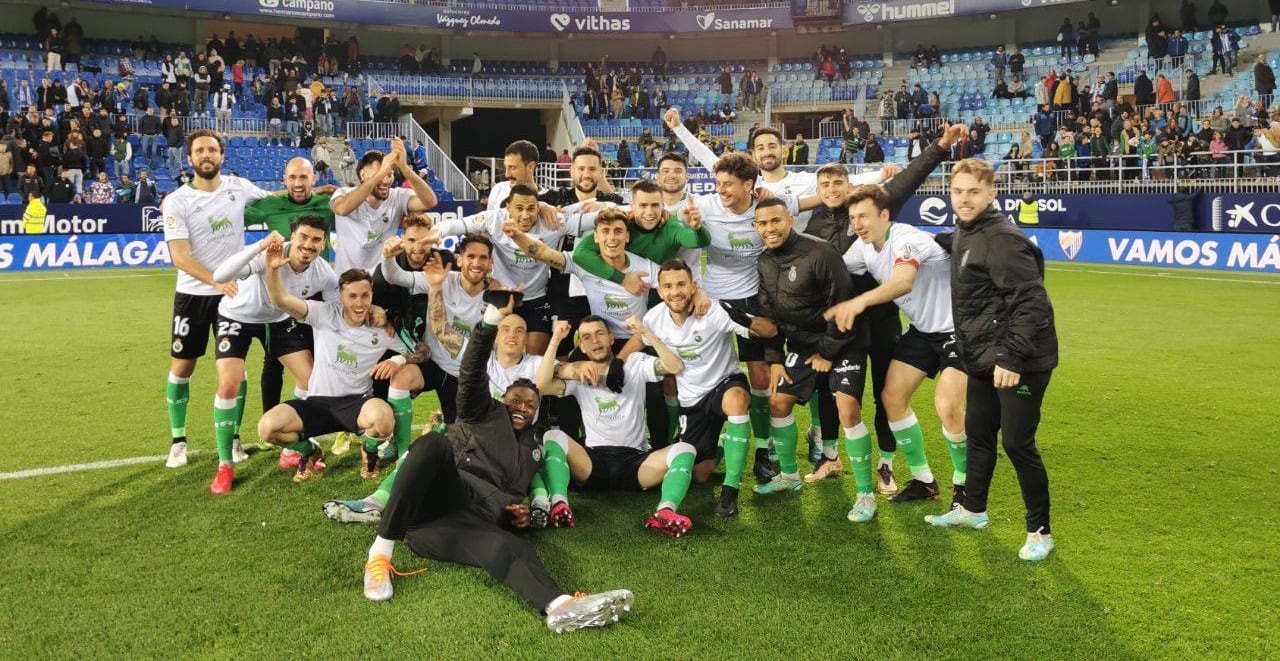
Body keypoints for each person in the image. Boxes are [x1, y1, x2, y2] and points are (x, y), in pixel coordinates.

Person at [359, 298, 634, 634]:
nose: (522, 407)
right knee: (433, 443)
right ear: (503, 400)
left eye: (530, 404)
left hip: (452, 529)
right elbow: (472, 369)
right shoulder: (482, 411)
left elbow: (510, 497)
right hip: (439, 500)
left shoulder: (533, 450)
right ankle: (380, 554)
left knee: (510, 546)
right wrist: (488, 323)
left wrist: (514, 515)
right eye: (516, 400)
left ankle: (560, 605)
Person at [925, 159, 1059, 563]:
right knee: (979, 435)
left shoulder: (1002, 237)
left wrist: (1012, 356)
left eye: (973, 192)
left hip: (1019, 361)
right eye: (958, 192)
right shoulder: (968, 232)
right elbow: (961, 251)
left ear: (992, 194)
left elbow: (1032, 302)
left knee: (1018, 444)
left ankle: (1040, 531)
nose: (964, 200)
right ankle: (972, 509)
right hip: (982, 357)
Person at [827, 181, 969, 510]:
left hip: (956, 330)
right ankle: (924, 481)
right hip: (922, 331)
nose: (857, 224)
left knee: (947, 407)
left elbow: (902, 281)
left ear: (885, 215)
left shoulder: (906, 239)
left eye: (864, 216)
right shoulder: (862, 248)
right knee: (892, 398)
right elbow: (833, 270)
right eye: (853, 218)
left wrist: (858, 303)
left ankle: (964, 487)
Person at [161, 130, 272, 482]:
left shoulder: (239, 188)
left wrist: (314, 194)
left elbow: (276, 201)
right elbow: (180, 256)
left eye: (212, 149)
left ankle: (234, 438)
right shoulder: (177, 201)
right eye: (199, 150)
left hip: (232, 295)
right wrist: (215, 280)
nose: (206, 154)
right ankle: (178, 441)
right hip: (194, 295)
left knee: (234, 372)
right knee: (183, 367)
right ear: (190, 159)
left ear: (222, 155)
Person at [750, 197, 870, 516]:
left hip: (843, 342)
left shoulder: (820, 252)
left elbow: (844, 306)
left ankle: (865, 493)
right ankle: (789, 476)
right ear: (755, 227)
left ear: (790, 220)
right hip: (802, 347)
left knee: (847, 407)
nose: (769, 228)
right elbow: (768, 315)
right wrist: (775, 358)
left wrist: (827, 353)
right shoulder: (764, 261)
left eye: (775, 221)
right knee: (777, 402)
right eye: (762, 223)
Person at [534, 311, 697, 537]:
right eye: (587, 337)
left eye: (600, 333)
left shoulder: (636, 364)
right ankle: (560, 503)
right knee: (553, 436)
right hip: (593, 461)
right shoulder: (580, 374)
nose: (595, 340)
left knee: (686, 449)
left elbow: (674, 367)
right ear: (581, 346)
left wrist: (645, 332)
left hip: (636, 463)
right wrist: (555, 340)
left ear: (611, 338)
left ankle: (664, 511)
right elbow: (541, 386)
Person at [209, 219, 338, 489]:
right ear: (293, 236)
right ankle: (225, 465)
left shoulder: (323, 271)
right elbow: (221, 276)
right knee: (229, 383)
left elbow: (337, 308)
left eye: (316, 240)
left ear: (323, 243)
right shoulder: (272, 253)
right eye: (303, 237)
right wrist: (260, 244)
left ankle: (290, 451)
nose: (308, 245)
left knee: (309, 380)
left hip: (278, 320)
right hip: (236, 316)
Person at [255, 252, 402, 485]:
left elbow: (420, 352)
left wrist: (398, 360)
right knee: (267, 429)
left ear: (372, 295)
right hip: (317, 403)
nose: (359, 302)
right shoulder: (324, 313)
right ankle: (308, 451)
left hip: (357, 401)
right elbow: (281, 300)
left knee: (383, 420)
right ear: (340, 296)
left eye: (365, 295)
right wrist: (272, 270)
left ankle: (369, 449)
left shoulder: (383, 328)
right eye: (352, 296)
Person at [330, 141, 437, 274]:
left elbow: (430, 202)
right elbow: (342, 209)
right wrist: (381, 174)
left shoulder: (398, 196)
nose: (386, 180)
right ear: (363, 175)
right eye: (381, 173)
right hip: (346, 281)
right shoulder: (344, 193)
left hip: (382, 280)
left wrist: (404, 167)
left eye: (389, 174)